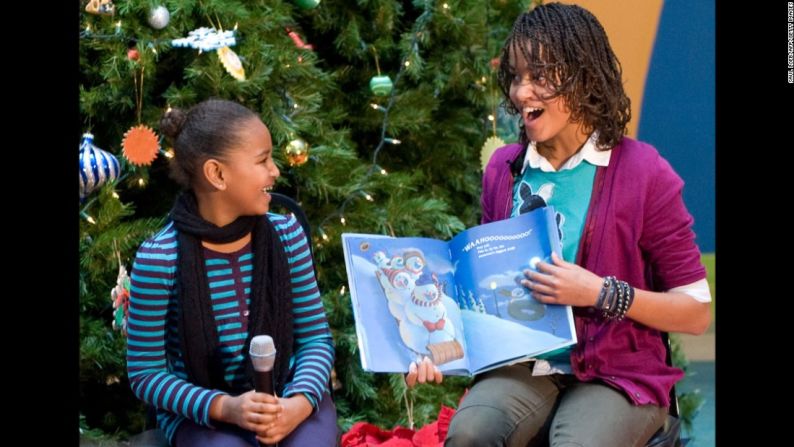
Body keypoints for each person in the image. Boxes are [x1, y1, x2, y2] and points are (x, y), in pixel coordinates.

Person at [405, 3, 712, 446]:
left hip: (617, 374)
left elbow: (697, 312)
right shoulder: (503, 169)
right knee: (470, 432)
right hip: (523, 366)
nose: (520, 92)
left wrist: (601, 293)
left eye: (539, 76)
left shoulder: (644, 172)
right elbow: (485, 299)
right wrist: (436, 349)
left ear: (584, 77)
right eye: (515, 76)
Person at [126, 99, 338, 447]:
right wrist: (226, 407)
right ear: (217, 174)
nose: (275, 171)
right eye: (262, 160)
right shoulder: (160, 258)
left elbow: (316, 339)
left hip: (289, 399)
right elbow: (146, 374)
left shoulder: (286, 236)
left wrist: (297, 405)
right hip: (205, 415)